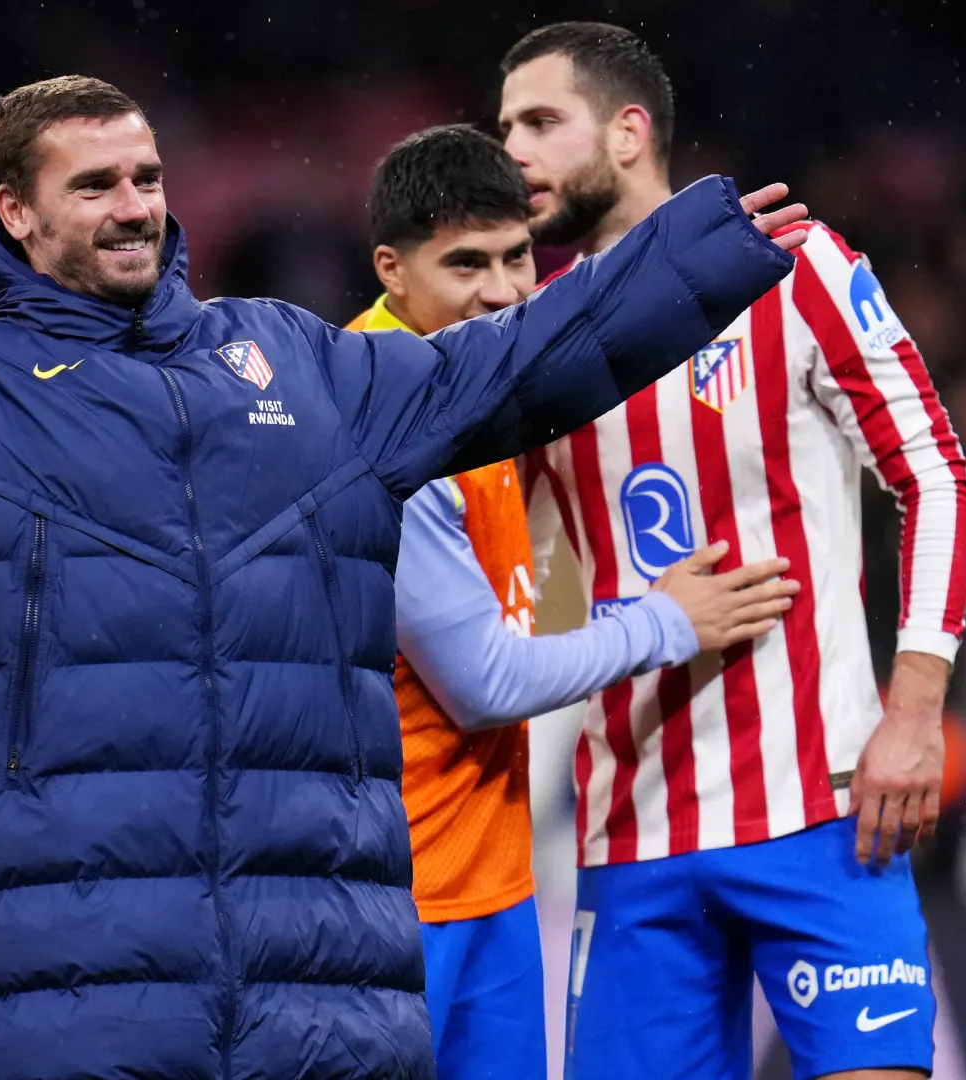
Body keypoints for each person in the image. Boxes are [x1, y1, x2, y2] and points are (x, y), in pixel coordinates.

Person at [0, 74, 807, 1079]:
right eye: (94, 184)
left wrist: (695, 253)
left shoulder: (298, 365)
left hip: (312, 981)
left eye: (146, 177)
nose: (133, 205)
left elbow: (521, 364)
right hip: (59, 989)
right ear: (16, 211)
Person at [497, 23, 966, 1080]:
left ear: (628, 133)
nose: (513, 152)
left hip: (825, 804)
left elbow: (935, 474)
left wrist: (914, 709)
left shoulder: (793, 266)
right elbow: (503, 559)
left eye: (539, 122)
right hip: (631, 830)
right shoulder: (530, 336)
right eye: (504, 129)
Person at [349, 124, 800, 1079]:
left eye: (517, 257)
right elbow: (483, 683)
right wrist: (667, 622)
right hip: (394, 895)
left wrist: (707, 244)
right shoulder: (379, 419)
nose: (503, 291)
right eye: (466, 264)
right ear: (392, 270)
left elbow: (593, 324)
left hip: (489, 877)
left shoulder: (472, 392)